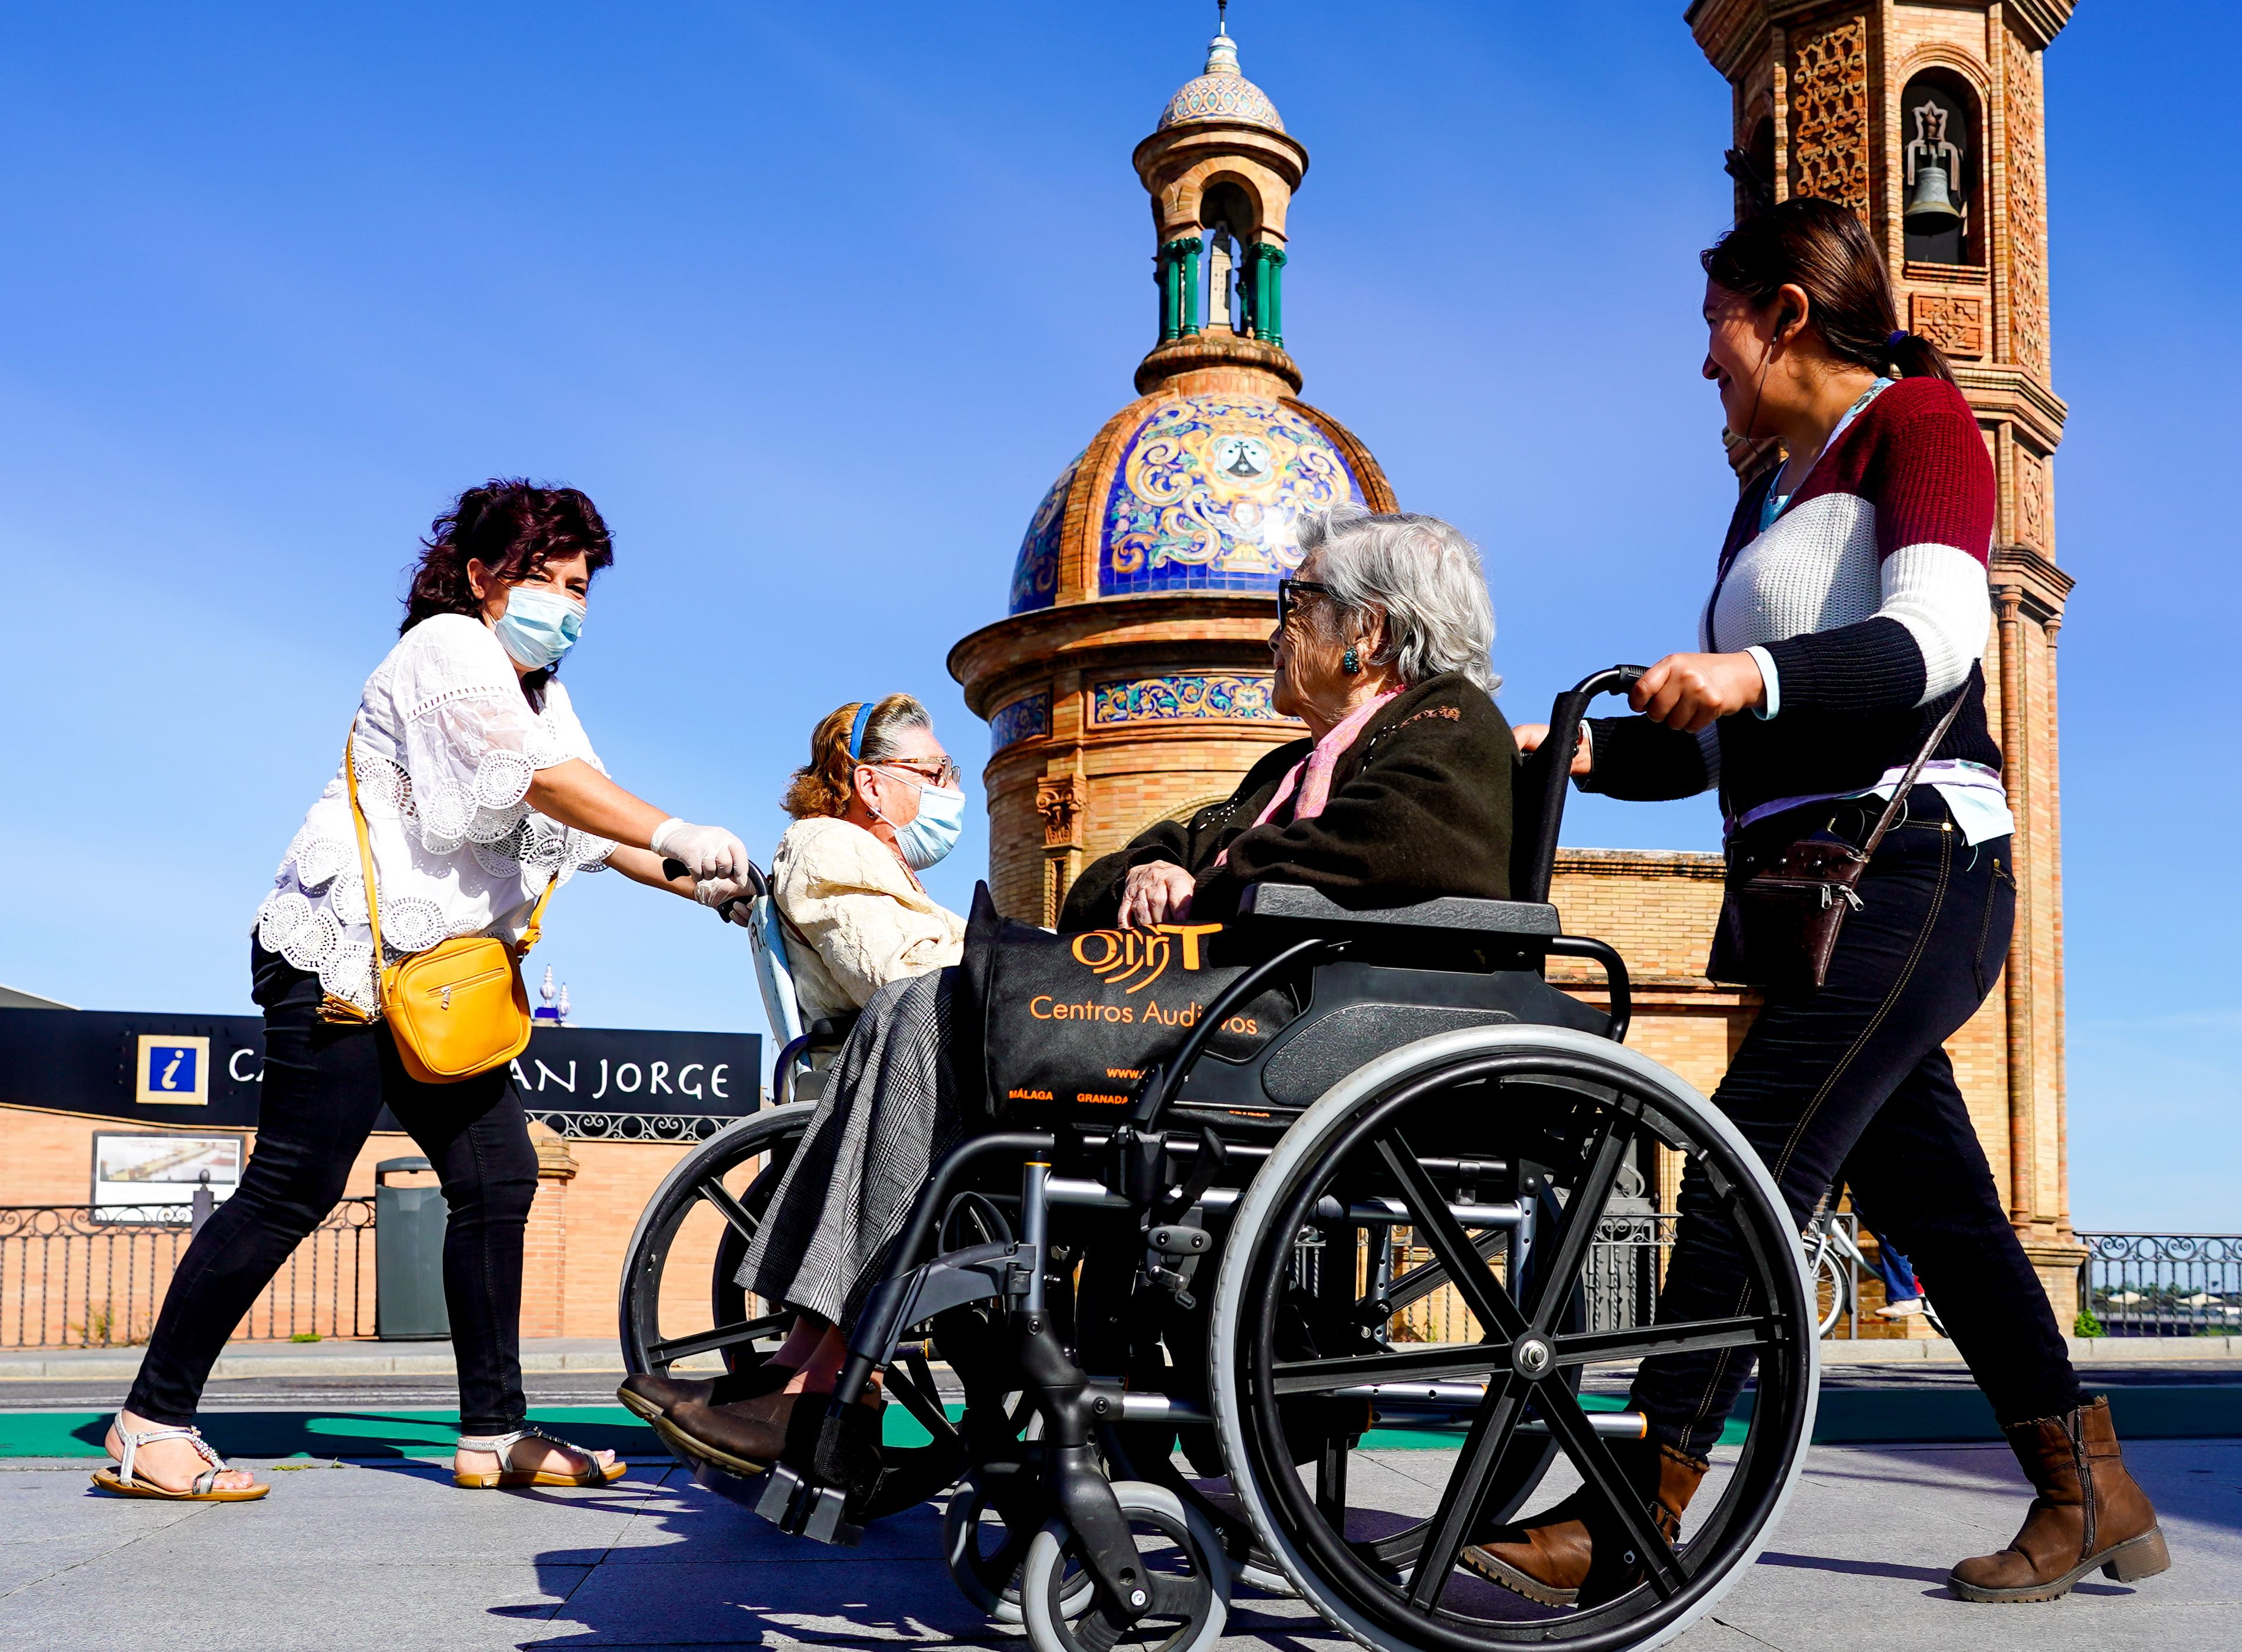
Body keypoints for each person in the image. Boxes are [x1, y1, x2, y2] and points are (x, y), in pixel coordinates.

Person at [1473, 199, 2166, 1608]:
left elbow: (1930, 640)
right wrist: (1585, 752)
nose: (1705, 366)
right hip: (1817, 894)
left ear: (1784, 313)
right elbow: (1732, 743)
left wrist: (1753, 676)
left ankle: (1637, 1510)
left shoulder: (1919, 424)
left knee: (1747, 1153)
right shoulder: (1765, 494)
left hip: (1915, 867)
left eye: (1714, 329)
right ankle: (2089, 1482)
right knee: (1948, 1212)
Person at [622, 505, 1516, 1470]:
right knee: (914, 1008)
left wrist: (1205, 873)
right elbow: (1108, 881)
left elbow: (1377, 853)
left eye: (1294, 601)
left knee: (933, 1004)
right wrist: (1171, 870)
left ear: (1368, 630)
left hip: (1286, 1033)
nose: (1275, 624)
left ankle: (824, 1382)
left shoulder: (1449, 726)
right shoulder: (1287, 767)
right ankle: (813, 1364)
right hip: (1224, 1017)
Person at [96, 481, 759, 1503]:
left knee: (497, 1177)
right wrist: (677, 827)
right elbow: (542, 781)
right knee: (293, 1185)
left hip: (436, 983)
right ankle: (149, 1423)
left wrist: (699, 878)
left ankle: (494, 1430)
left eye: (579, 585)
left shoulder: (541, 689)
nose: (566, 603)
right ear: (483, 573)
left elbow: (592, 820)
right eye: (542, 577)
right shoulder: (447, 648)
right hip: (346, 959)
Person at [767, 695, 969, 1027]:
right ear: (871, 787)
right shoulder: (827, 847)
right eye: (936, 774)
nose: (954, 790)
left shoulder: (861, 858)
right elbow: (908, 987)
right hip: (884, 1076)